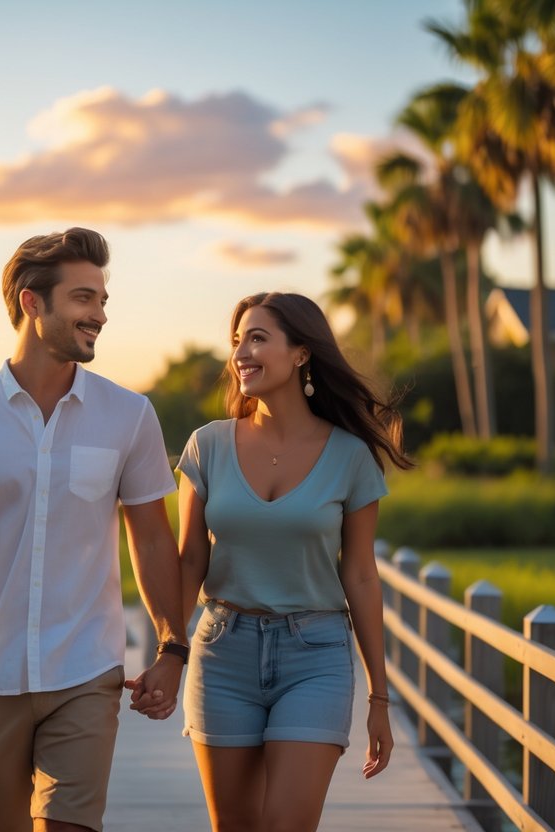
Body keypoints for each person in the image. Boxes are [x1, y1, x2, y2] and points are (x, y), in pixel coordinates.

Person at [0, 227, 188, 832]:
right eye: (85, 299)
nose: (101, 316)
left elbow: (153, 538)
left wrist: (171, 647)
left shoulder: (129, 416)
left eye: (103, 301)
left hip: (87, 669)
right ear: (34, 303)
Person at [176, 291, 412, 831]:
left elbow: (360, 574)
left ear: (302, 353)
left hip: (316, 656)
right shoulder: (206, 446)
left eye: (258, 338)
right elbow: (190, 560)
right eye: (236, 341)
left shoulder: (350, 456)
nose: (241, 353)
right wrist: (170, 648)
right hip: (223, 651)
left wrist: (380, 696)